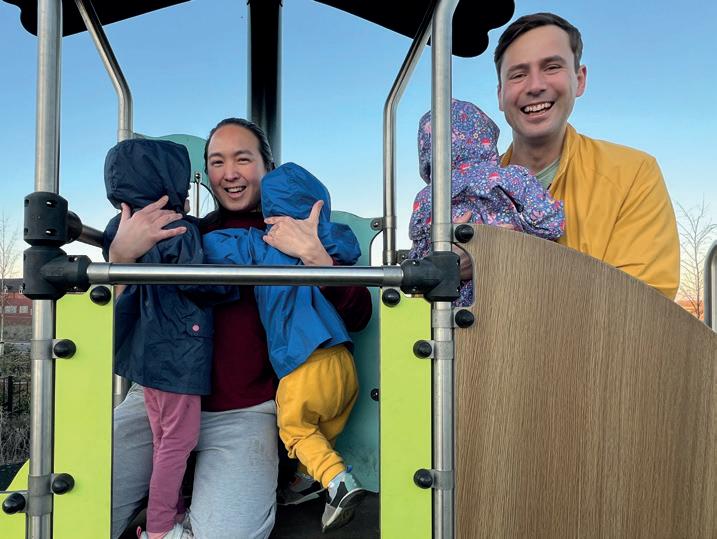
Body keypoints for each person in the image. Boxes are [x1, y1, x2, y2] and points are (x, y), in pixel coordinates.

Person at [109, 119, 372, 539]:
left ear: (268, 167)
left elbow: (358, 315)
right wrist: (121, 257)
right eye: (217, 162)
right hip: (157, 396)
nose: (229, 173)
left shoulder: (301, 231)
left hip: (241, 410)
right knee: (78, 500)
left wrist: (316, 260)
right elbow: (122, 316)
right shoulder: (187, 233)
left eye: (243, 159)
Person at [203, 162, 368, 532]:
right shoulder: (332, 239)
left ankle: (338, 482)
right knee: (321, 431)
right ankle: (304, 482)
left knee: (295, 428)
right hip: (343, 362)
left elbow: (214, 247)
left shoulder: (265, 242)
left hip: (304, 362)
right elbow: (349, 249)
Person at [103, 138, 237, 539]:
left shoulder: (120, 229)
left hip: (147, 361)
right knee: (178, 443)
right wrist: (231, 284)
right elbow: (198, 281)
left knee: (164, 440)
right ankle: (161, 528)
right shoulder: (177, 229)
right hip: (179, 354)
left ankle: (172, 513)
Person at [493, 12, 680, 298]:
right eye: (518, 74)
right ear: (500, 94)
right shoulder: (466, 196)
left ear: (579, 80)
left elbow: (643, 304)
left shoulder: (634, 175)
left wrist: (506, 262)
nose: (535, 86)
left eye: (551, 67)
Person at [408, 99, 564, 306]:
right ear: (487, 139)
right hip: (513, 290)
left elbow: (418, 258)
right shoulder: (512, 178)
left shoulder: (426, 198)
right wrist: (514, 234)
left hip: (450, 303)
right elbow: (551, 225)